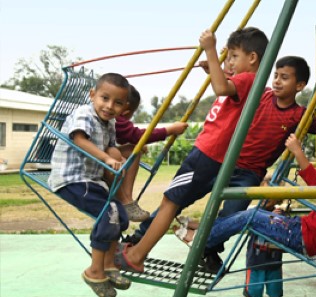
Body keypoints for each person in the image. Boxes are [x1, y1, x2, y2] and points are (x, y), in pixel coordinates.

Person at [123, 56, 316, 272]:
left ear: (300, 85)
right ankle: (138, 238)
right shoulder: (261, 95)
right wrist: (213, 69)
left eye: (284, 77)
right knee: (175, 202)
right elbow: (231, 85)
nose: (276, 81)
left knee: (232, 217)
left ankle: (206, 246)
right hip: (223, 161)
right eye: (275, 75)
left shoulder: (300, 116)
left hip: (249, 173)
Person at [113, 27, 270, 273]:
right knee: (171, 204)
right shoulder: (245, 81)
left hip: (207, 154)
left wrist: (210, 49)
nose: (228, 62)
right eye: (226, 58)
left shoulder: (248, 79)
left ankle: (136, 255)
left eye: (234, 57)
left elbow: (221, 88)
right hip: (210, 155)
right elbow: (224, 89)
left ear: (252, 58)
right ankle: (137, 250)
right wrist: (214, 68)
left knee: (169, 204)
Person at [180, 134, 316, 267]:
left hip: (300, 237)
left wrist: (298, 152)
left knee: (251, 216)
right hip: (299, 230)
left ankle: (202, 240)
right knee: (255, 212)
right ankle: (205, 228)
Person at [48, 73, 132, 297]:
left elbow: (111, 147)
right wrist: (106, 159)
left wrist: (119, 156)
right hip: (72, 178)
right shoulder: (84, 113)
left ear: (124, 107)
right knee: (108, 215)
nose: (109, 106)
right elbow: (80, 140)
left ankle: (108, 265)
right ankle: (94, 272)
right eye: (105, 98)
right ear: (92, 95)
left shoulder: (110, 122)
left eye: (117, 103)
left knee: (120, 215)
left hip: (92, 180)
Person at [114, 84, 188, 222]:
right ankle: (126, 201)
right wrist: (170, 129)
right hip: (98, 158)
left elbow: (125, 136)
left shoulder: (109, 115)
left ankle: (126, 201)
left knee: (132, 150)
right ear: (125, 111)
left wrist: (135, 143)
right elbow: (137, 135)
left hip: (102, 154)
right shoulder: (116, 118)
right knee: (131, 151)